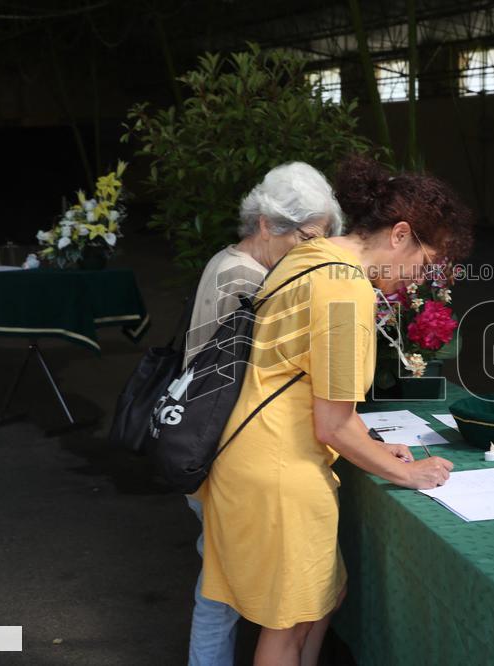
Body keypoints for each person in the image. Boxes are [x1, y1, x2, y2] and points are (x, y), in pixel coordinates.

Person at [199, 155, 475, 666]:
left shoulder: (313, 255)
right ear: (399, 234)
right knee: (287, 625)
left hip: (248, 455)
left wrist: (371, 446)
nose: (418, 280)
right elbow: (332, 423)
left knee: (321, 600)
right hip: (280, 470)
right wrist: (406, 472)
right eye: (423, 263)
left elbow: (302, 382)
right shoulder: (346, 289)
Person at [184, 161, 344, 666]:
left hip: (213, 446)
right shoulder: (248, 281)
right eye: (307, 237)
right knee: (223, 597)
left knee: (221, 589)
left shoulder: (231, 263)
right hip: (228, 453)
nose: (312, 250)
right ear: (265, 224)